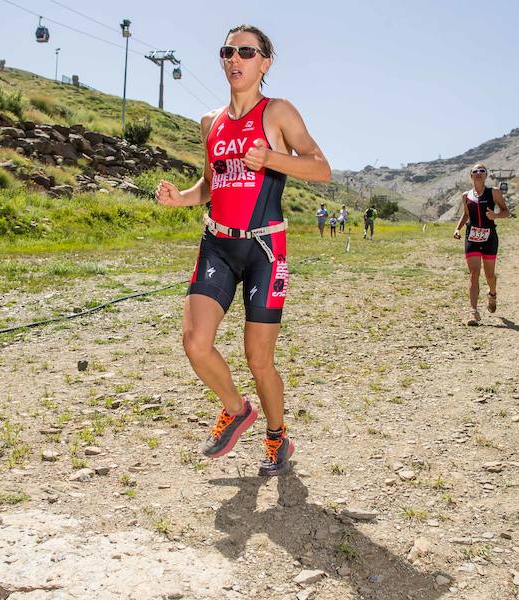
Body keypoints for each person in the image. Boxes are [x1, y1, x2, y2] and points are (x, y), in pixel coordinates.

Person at [154, 24, 331, 477]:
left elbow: (321, 168)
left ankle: (277, 435)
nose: (235, 59)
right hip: (217, 243)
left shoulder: (278, 113)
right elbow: (212, 185)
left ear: (264, 62)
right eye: (228, 51)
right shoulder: (210, 122)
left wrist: (272, 158)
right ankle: (236, 409)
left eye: (247, 52)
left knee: (258, 359)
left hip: (264, 249)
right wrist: (182, 198)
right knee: (196, 343)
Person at [453, 163, 509, 326]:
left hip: (490, 236)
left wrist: (495, 216)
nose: (478, 173)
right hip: (472, 237)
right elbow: (466, 214)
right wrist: (457, 229)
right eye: (475, 171)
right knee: (474, 273)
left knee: (489, 275)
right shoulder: (466, 195)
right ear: (471, 176)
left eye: (482, 171)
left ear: (486, 175)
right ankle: (473, 311)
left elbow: (506, 212)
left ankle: (492, 294)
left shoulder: (494, 192)